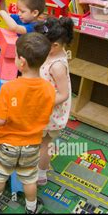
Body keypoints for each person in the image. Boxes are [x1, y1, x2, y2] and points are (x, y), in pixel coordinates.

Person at [0, 32, 55, 214]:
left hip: (7, 143)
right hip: (32, 144)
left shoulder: (9, 88)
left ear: (21, 62)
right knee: (29, 179)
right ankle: (31, 208)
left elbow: (0, 120)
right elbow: (43, 115)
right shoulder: (49, 89)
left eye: (15, 56)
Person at [34, 17, 74, 186]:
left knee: (45, 144)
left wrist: (43, 104)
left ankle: (41, 174)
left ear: (55, 45)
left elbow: (63, 94)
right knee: (40, 141)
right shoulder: (53, 53)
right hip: (44, 104)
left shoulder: (57, 66)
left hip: (50, 111)